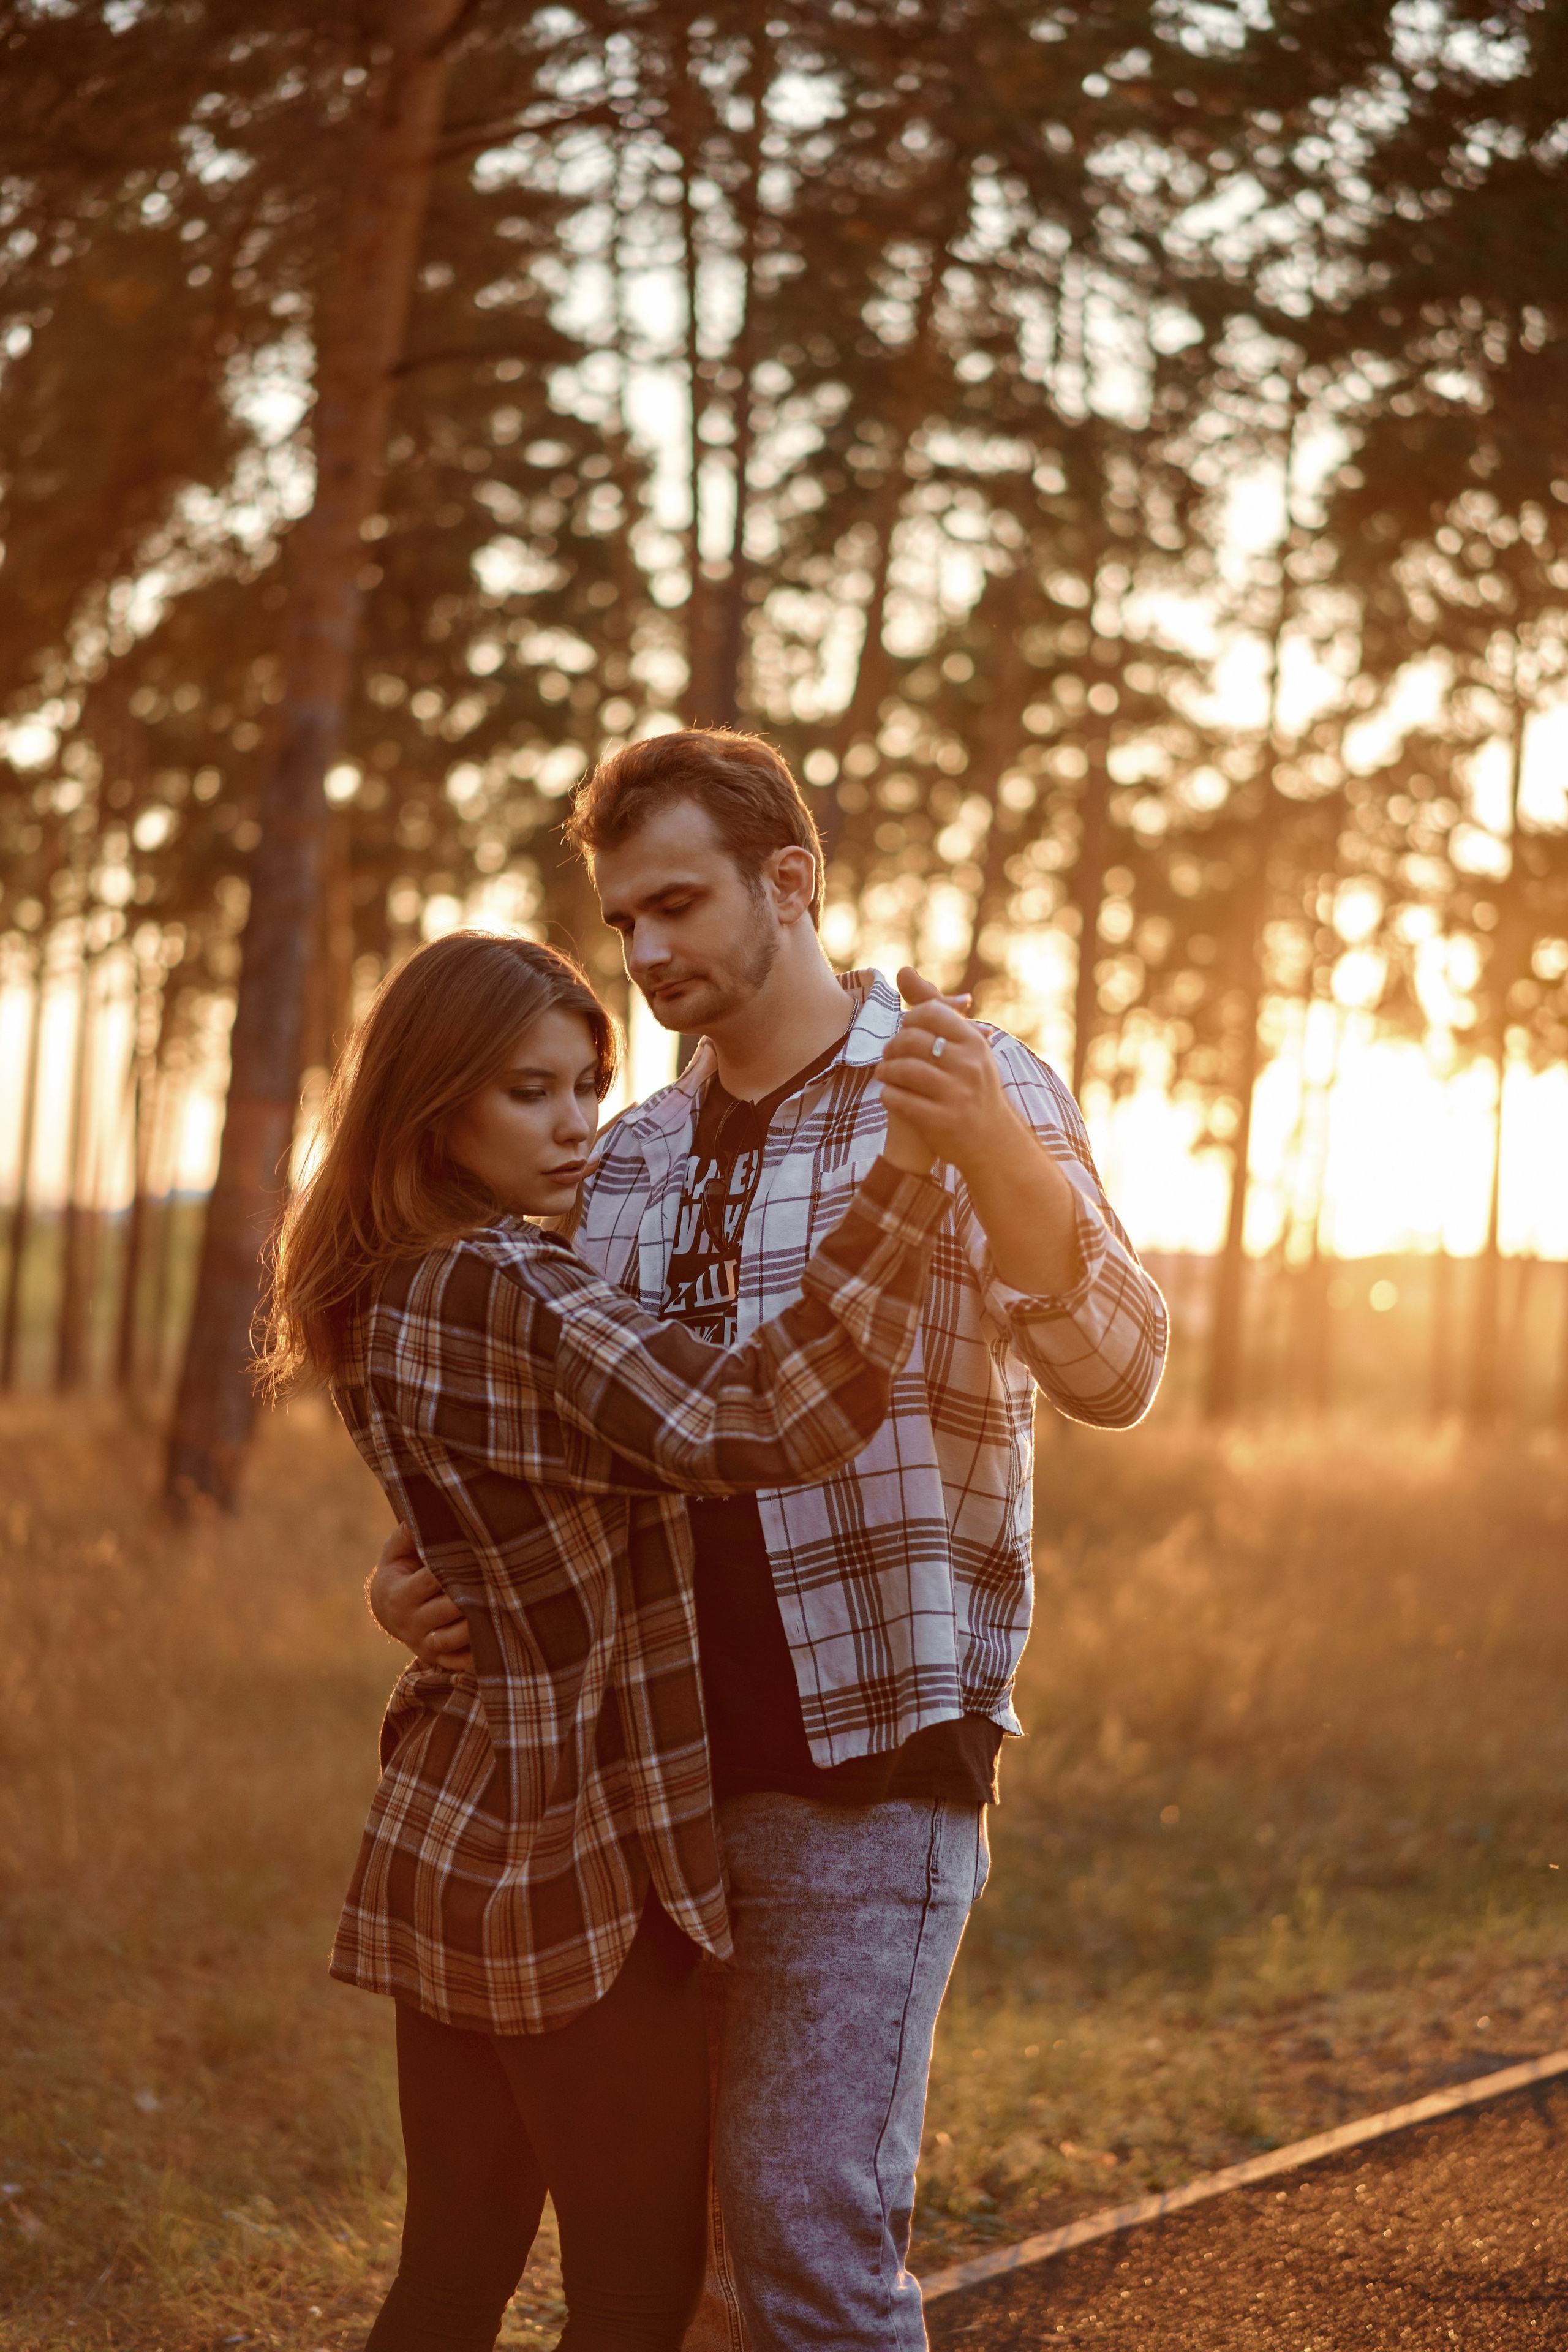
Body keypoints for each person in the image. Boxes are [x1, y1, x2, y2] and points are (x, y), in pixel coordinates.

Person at [372, 731, 1169, 2351]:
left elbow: (1120, 1369)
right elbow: (562, 1424)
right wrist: (413, 1574)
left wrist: (1004, 1168)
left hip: (873, 1755)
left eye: (679, 905)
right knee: (685, 2263)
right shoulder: (632, 1155)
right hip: (642, 1782)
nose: (649, 953)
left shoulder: (967, 1083)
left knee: (805, 2238)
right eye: (626, 924)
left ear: (788, 883)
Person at [258, 925, 960, 2352]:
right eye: (529, 1091)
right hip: (575, 1852)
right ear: (434, 1100)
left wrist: (396, 1591)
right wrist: (905, 1178)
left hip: (449, 1827)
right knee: (634, 2301)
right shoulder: (505, 1286)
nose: (577, 1122)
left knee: (447, 2279)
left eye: (588, 1083)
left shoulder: (388, 1285)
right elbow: (758, 1421)